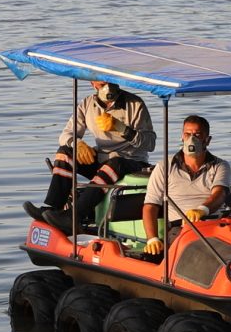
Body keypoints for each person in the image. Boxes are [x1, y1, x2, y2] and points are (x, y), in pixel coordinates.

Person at [41, 79, 153, 224]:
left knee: (115, 163)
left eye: (111, 82)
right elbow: (65, 135)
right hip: (102, 159)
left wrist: (122, 128)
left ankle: (74, 216)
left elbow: (150, 143)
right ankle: (53, 209)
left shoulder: (135, 104)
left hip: (132, 161)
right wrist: (78, 144)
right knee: (65, 152)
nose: (108, 88)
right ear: (93, 84)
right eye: (102, 84)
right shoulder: (87, 104)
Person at [139, 115, 231, 255]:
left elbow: (220, 194)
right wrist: (152, 239)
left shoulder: (220, 166)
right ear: (182, 137)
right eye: (187, 134)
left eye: (197, 135)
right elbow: (150, 205)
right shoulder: (165, 166)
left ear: (207, 140)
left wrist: (202, 210)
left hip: (212, 224)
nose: (191, 139)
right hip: (179, 229)